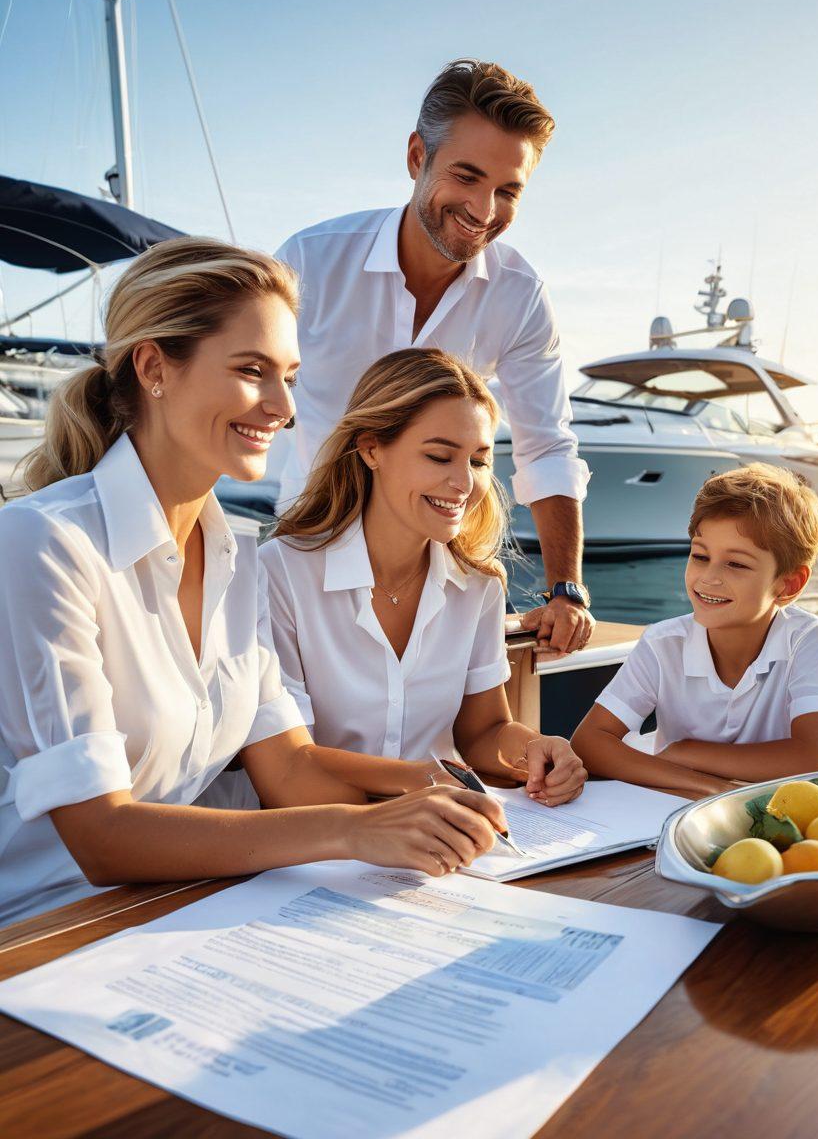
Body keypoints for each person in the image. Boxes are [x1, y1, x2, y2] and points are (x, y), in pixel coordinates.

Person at [0, 237, 504, 927]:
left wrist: (428, 800)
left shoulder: (237, 556)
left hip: (194, 908)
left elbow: (289, 767)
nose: (282, 406)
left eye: (290, 377)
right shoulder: (43, 542)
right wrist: (357, 829)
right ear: (154, 367)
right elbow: (101, 836)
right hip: (48, 931)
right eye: (252, 370)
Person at [275, 58, 593, 657]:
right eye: (467, 177)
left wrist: (566, 589)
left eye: (508, 191)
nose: (483, 210)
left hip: (445, 579)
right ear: (417, 156)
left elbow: (546, 446)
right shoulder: (309, 262)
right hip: (311, 558)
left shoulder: (520, 295)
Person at [261, 348, 587, 805]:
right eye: (439, 456)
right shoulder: (280, 572)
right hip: (323, 830)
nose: (465, 484)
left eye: (478, 461)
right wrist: (423, 782)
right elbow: (289, 760)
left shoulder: (479, 585)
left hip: (444, 826)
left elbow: (483, 731)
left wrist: (536, 749)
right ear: (371, 449)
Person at [571, 464, 818, 796]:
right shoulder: (663, 644)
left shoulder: (806, 638)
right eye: (700, 556)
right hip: (681, 804)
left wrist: (686, 752)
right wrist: (711, 787)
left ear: (788, 584)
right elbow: (589, 742)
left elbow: (815, 759)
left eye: (736, 564)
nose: (709, 578)